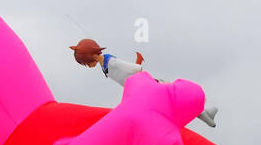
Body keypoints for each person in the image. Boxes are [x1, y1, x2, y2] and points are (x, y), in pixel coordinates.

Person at [69, 38, 219, 127]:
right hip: (140, 88)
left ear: (93, 57)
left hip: (147, 86)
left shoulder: (111, 62)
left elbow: (136, 69)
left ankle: (205, 114)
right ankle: (205, 114)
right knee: (174, 103)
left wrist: (140, 72)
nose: (87, 66)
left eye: (86, 63)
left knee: (176, 98)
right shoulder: (105, 65)